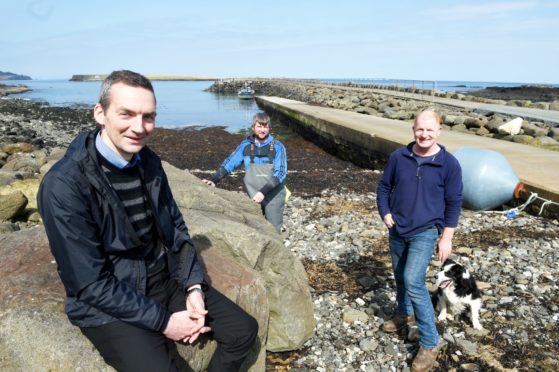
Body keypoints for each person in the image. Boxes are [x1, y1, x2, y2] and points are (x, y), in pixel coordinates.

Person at [37, 70, 258, 372]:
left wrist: (192, 286)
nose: (139, 128)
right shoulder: (65, 184)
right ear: (100, 113)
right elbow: (88, 284)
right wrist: (165, 322)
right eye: (126, 114)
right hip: (110, 301)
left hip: (163, 279)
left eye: (148, 117)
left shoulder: (149, 162)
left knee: (243, 331)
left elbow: (176, 229)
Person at [376, 109, 462, 372]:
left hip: (425, 231)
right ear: (413, 130)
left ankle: (430, 341)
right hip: (397, 228)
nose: (424, 135)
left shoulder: (449, 164)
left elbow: (454, 202)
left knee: (414, 280)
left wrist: (446, 237)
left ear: (439, 131)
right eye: (419, 129)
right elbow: (383, 187)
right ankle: (404, 313)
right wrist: (385, 212)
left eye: (429, 130)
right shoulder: (399, 157)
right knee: (400, 275)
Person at [203, 112, 287, 232]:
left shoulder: (278, 147)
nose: (262, 130)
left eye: (265, 126)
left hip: (274, 195)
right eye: (259, 126)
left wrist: (263, 192)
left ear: (269, 128)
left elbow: (281, 173)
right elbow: (230, 163)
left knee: (273, 229)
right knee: (254, 228)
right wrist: (214, 179)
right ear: (253, 127)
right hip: (253, 194)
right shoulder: (245, 145)